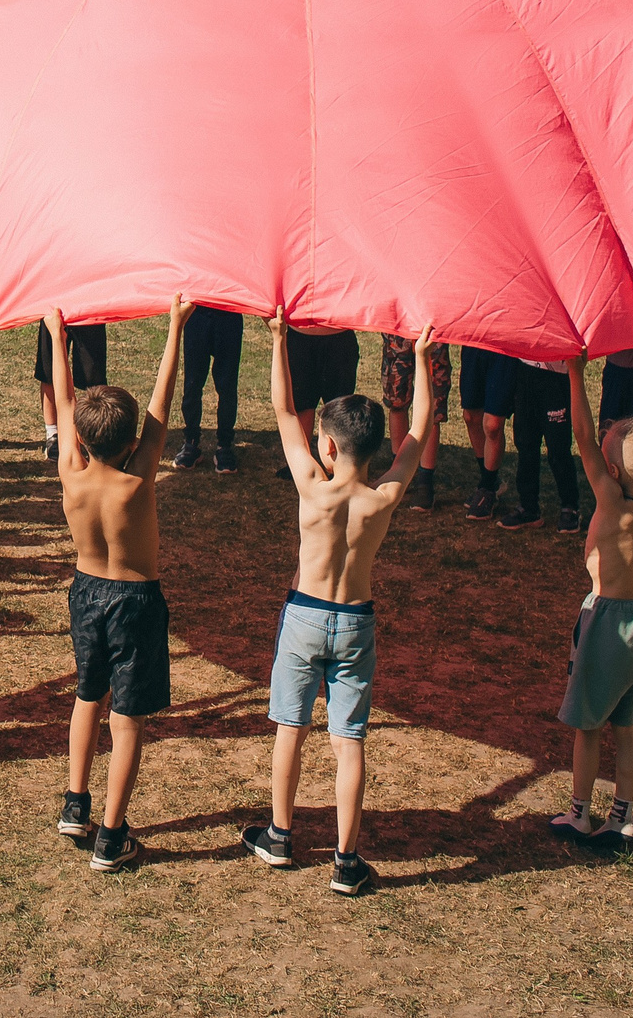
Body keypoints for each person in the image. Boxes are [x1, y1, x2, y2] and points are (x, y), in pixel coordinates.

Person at [242, 320, 435, 897]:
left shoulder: (312, 487)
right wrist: (420, 359)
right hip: (356, 622)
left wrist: (278, 340)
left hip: (304, 615)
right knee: (348, 738)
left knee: (290, 729)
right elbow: (419, 432)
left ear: (326, 445)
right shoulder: (382, 499)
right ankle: (347, 862)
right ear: (377, 447)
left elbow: (282, 414)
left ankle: (279, 835)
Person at [49, 299, 189, 872]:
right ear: (133, 442)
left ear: (79, 438)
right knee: (126, 719)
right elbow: (162, 405)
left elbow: (62, 401)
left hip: (86, 593)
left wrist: (57, 337)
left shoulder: (70, 472)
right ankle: (111, 836)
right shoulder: (139, 478)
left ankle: (74, 803)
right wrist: (176, 327)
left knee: (88, 695)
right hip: (135, 601)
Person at [549, 345, 633, 844]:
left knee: (588, 725)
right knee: (627, 726)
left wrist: (575, 372)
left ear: (614, 471)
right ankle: (622, 816)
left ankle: (579, 812)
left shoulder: (612, 499)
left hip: (607, 624)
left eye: (609, 446)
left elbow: (580, 434)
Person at [503, 355, 582, 532]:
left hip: (556, 374)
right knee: (525, 442)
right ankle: (528, 507)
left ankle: (570, 506)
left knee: (558, 446)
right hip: (525, 368)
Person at [274, 325, 358, 482]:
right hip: (300, 334)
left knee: (339, 408)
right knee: (301, 403)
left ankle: (340, 465)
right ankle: (299, 462)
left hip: (339, 335)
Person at [381, 331, 451, 510]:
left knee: (432, 407)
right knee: (397, 401)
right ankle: (397, 475)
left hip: (432, 328)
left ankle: (424, 482)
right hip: (398, 329)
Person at [172, 304, 244, 471]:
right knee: (192, 383)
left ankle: (224, 445)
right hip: (197, 312)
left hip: (229, 313)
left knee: (227, 386)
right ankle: (191, 442)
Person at [34, 317, 109, 465]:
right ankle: (53, 434)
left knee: (93, 376)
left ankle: (95, 433)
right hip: (54, 306)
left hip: (90, 309)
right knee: (49, 372)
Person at [454, 345, 512, 518]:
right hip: (475, 340)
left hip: (504, 347)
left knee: (493, 424)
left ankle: (487, 487)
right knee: (471, 416)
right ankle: (489, 481)